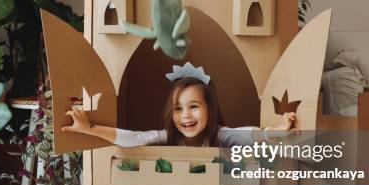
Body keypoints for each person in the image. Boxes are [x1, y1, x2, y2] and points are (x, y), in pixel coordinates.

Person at [62, 63, 297, 148]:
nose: (186, 116)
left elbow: (247, 135)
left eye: (193, 106)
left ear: (210, 109)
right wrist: (90, 129)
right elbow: (134, 138)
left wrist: (276, 130)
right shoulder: (170, 136)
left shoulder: (219, 135)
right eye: (178, 108)